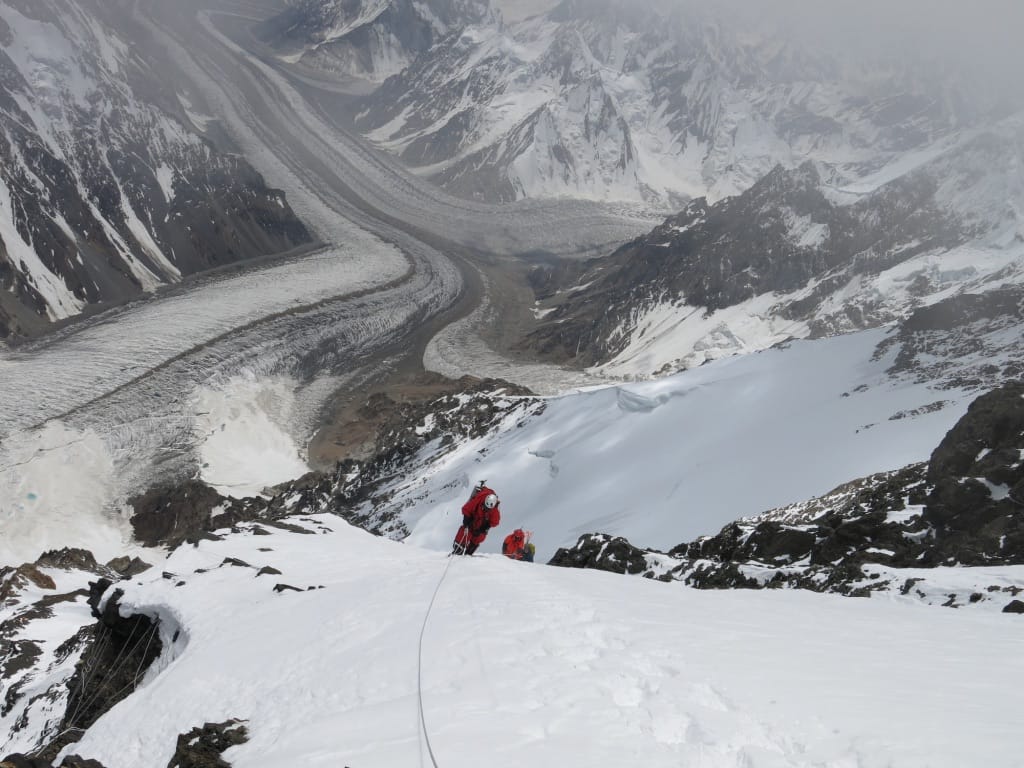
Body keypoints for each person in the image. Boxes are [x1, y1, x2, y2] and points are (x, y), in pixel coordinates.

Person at [452, 481, 501, 555]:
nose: (485, 509)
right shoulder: (478, 499)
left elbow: (495, 522)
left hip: (482, 524)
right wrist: (466, 522)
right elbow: (467, 509)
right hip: (472, 518)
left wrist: (484, 528)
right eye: (485, 506)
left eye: (488, 508)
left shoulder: (494, 510)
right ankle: (457, 550)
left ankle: (469, 552)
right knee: (465, 532)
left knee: (480, 536)